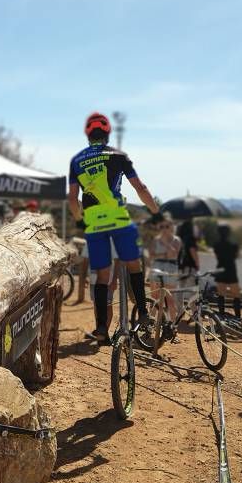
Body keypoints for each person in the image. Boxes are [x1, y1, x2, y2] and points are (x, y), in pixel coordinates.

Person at [68, 111, 160, 344]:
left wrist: (79, 220)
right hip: (118, 218)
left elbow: (71, 199)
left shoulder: (77, 160)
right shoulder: (119, 155)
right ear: (107, 133)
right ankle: (143, 312)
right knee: (134, 265)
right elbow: (140, 187)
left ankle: (101, 328)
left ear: (88, 136)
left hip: (94, 222)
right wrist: (156, 213)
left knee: (102, 276)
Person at [212, 224, 242, 322]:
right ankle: (238, 317)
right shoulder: (234, 245)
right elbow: (238, 256)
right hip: (231, 270)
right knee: (236, 295)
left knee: (221, 295)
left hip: (220, 270)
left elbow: (217, 256)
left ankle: (221, 316)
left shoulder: (216, 245)